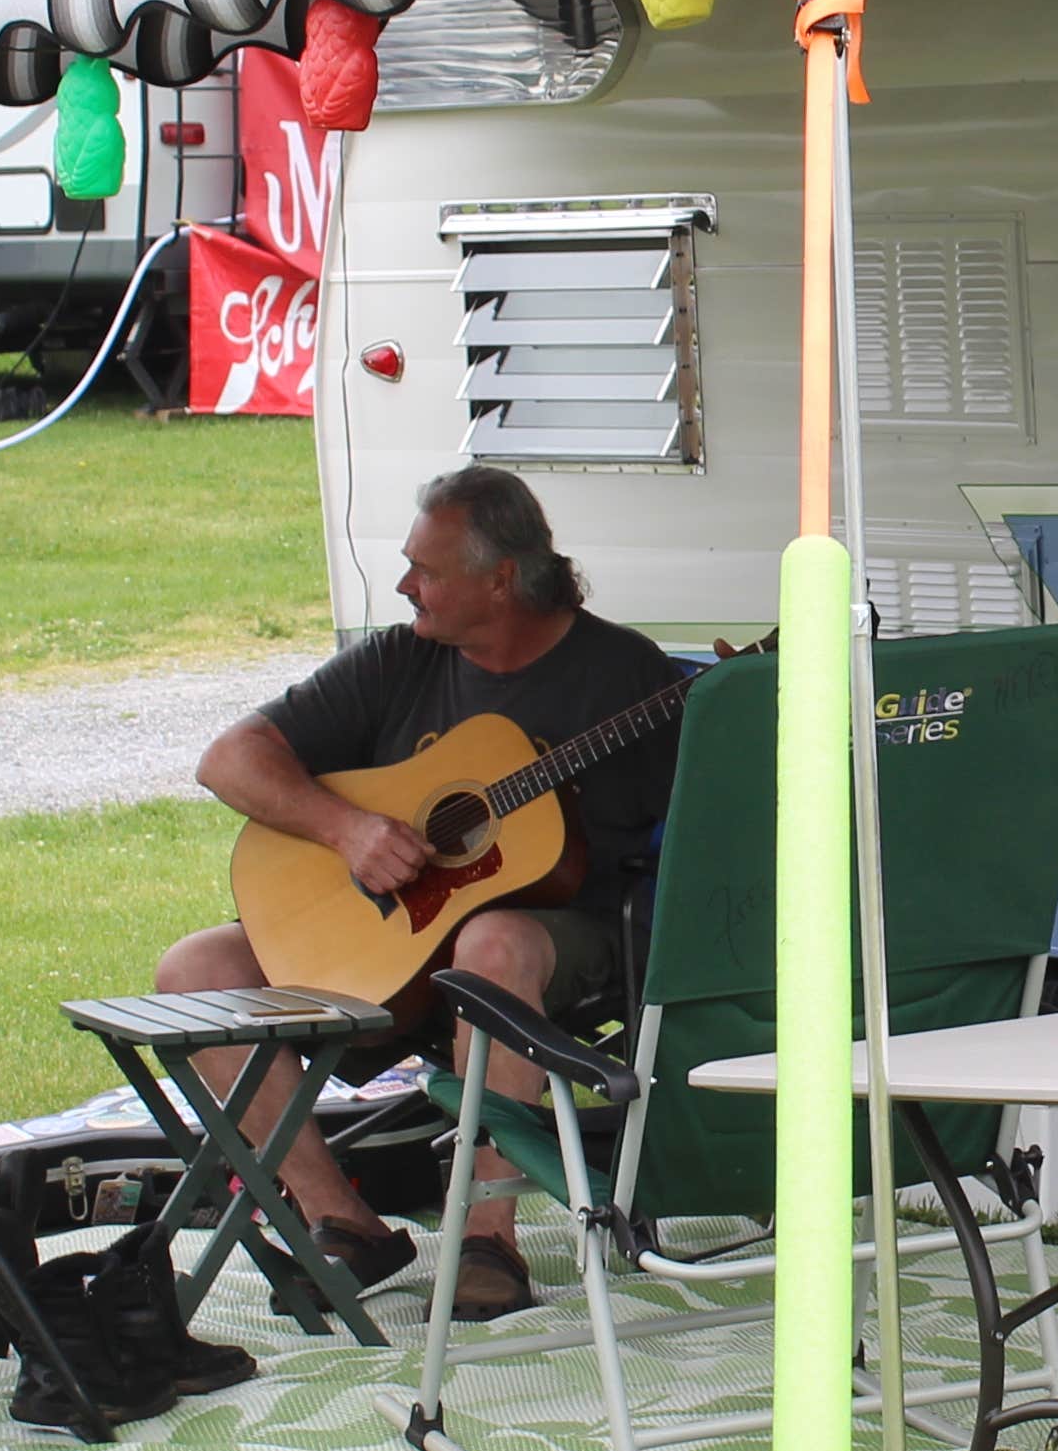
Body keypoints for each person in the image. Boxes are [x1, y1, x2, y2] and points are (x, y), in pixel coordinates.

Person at [149, 466, 690, 1323]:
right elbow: (230, 757)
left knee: (493, 944)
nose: (404, 585)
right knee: (193, 972)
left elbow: (693, 833)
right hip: (397, 940)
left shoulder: (625, 677)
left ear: (501, 579)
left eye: (426, 571)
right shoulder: (405, 659)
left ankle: (487, 1238)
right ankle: (344, 1219)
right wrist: (347, 830)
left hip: (563, 934)